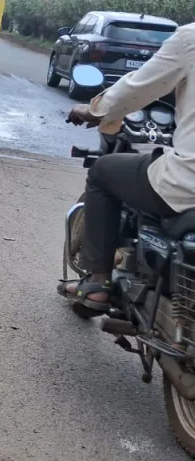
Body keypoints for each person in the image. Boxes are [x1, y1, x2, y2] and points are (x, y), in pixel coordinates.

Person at [58, 24, 195, 313]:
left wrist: (93, 110)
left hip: (188, 182)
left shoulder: (190, 38)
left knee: (103, 172)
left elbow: (137, 88)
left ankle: (97, 282)